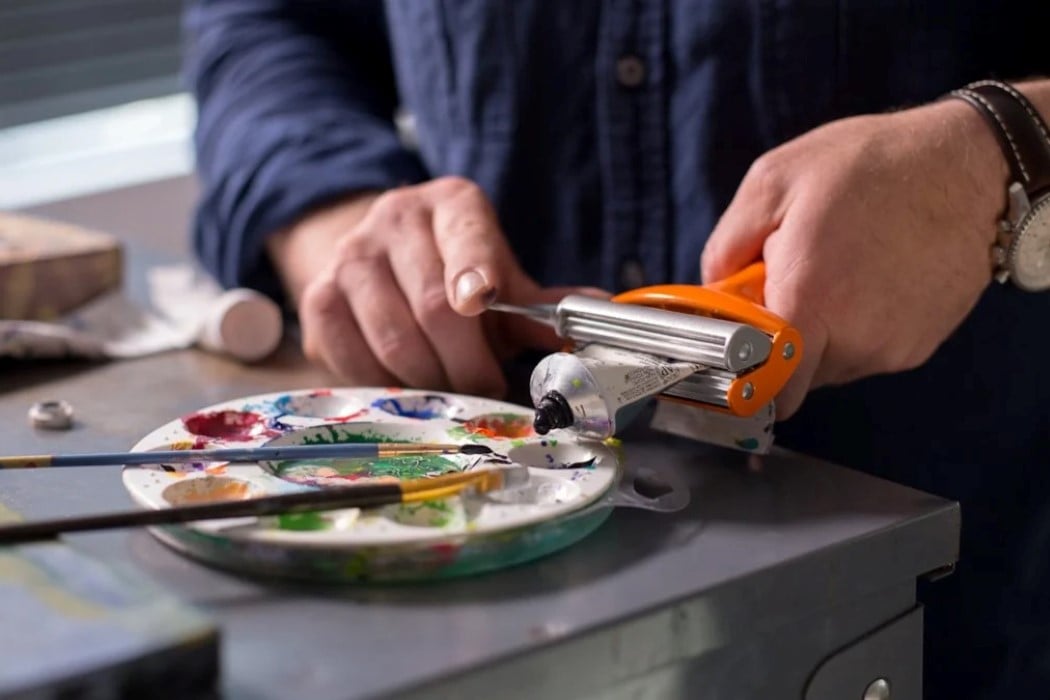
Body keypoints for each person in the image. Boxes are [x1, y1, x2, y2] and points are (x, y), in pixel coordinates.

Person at [183, 2, 1050, 697]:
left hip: (965, 605)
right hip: (489, 610)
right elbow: (268, 24)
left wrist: (1002, 153)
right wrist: (334, 223)